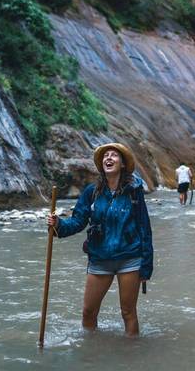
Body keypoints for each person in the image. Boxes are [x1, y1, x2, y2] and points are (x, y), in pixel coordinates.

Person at [47, 143, 153, 337]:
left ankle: (132, 355)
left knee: (128, 312)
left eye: (114, 155)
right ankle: (90, 353)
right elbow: (78, 221)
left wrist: (147, 265)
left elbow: (144, 228)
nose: (109, 158)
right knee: (88, 312)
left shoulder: (134, 191)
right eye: (106, 156)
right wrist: (58, 225)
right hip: (99, 258)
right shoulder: (91, 192)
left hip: (129, 257)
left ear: (122, 164)